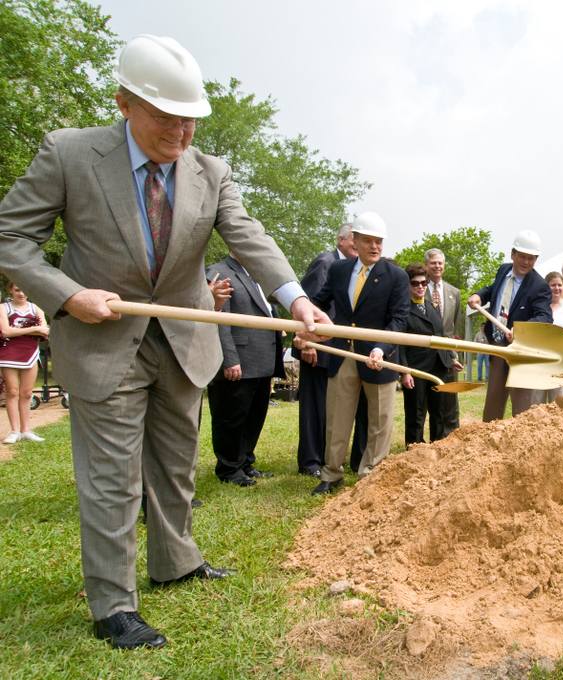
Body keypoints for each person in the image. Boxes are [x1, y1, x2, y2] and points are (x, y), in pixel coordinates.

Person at [0, 36, 330, 649]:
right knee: (112, 478)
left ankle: (175, 561)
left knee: (176, 465)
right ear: (125, 102)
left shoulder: (211, 171)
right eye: (166, 117)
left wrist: (297, 301)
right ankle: (113, 604)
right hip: (102, 341)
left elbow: (248, 237)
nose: (181, 132)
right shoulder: (70, 154)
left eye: (191, 119)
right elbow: (10, 236)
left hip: (184, 341)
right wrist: (68, 294)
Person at [309, 212, 409, 494]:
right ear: (354, 240)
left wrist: (381, 348)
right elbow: (319, 302)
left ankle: (371, 475)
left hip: (379, 358)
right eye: (368, 241)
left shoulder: (397, 277)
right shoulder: (339, 270)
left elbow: (398, 320)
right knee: (337, 419)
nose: (375, 247)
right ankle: (331, 475)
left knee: (380, 422)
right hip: (343, 356)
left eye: (379, 242)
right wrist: (304, 320)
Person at [294, 223, 367, 478]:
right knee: (314, 407)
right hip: (316, 347)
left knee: (329, 407)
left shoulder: (351, 269)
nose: (357, 246)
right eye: (354, 241)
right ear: (341, 240)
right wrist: (309, 343)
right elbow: (311, 304)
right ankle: (310, 461)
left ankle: (324, 456)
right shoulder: (325, 262)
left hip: (335, 349)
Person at [205, 254, 284, 486]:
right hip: (238, 359)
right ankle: (229, 469)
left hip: (261, 360)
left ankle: (245, 461)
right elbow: (218, 318)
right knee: (231, 416)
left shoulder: (258, 274)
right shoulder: (219, 271)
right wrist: (229, 358)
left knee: (254, 415)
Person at [469, 230, 552, 420]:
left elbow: (545, 317)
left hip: (520, 353)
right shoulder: (503, 270)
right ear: (512, 254)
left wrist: (522, 330)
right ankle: (489, 439)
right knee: (493, 402)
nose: (526, 262)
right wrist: (479, 295)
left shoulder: (539, 285)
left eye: (531, 258)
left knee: (522, 407)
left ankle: (520, 445)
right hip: (497, 347)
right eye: (522, 256)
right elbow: (493, 290)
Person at [400, 263, 460, 445]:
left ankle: (438, 448)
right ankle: (414, 450)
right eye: (415, 283)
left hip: (438, 367)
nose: (420, 287)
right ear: (407, 285)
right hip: (416, 369)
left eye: (423, 283)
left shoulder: (432, 306)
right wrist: (405, 371)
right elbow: (399, 343)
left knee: (439, 411)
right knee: (416, 414)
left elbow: (441, 336)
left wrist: (451, 359)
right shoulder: (402, 309)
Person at [0, 282, 48, 443]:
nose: (21, 293)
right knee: (12, 392)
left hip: (31, 353)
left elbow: (45, 330)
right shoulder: (3, 308)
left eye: (24, 290)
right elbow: (5, 331)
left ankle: (26, 430)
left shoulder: (35, 308)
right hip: (8, 353)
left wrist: (19, 331)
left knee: (27, 393)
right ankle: (14, 431)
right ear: (10, 290)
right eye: (17, 290)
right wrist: (32, 329)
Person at [424, 248, 462, 437]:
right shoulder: (418, 288)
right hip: (425, 352)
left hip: (447, 354)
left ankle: (452, 438)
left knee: (450, 399)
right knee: (430, 401)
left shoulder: (454, 293)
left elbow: (452, 328)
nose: (437, 266)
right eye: (433, 263)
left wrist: (453, 354)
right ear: (426, 266)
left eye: (440, 263)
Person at [535, 271, 563, 403]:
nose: (557, 288)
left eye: (560, 285)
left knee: (560, 404)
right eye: (553, 285)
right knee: (536, 404)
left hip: (562, 361)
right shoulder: (538, 307)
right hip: (539, 361)